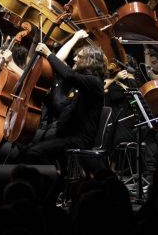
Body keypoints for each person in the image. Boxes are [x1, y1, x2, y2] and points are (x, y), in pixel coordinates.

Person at [20, 36, 106, 166]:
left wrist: (49, 54)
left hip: (78, 139)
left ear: (90, 61)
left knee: (33, 153)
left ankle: (54, 175)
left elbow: (68, 75)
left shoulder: (94, 82)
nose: (74, 59)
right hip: (66, 134)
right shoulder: (85, 84)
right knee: (24, 145)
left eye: (79, 57)